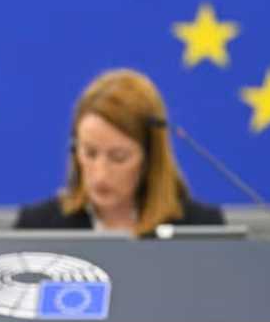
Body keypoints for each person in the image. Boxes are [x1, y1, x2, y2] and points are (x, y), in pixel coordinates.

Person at [16, 68, 224, 236]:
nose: (100, 173)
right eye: (90, 153)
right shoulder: (37, 227)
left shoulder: (202, 229)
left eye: (118, 157)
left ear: (150, 157)